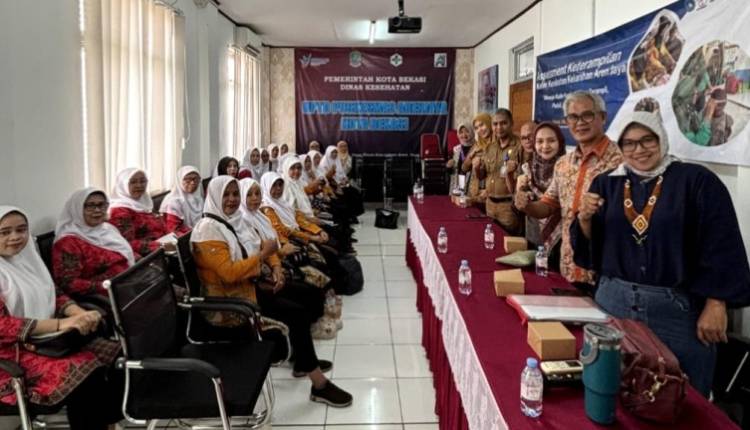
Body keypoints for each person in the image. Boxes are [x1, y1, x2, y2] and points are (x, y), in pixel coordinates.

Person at [570, 111, 750, 396]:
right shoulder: (606, 184)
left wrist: (717, 303)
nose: (638, 149)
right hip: (614, 301)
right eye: (629, 143)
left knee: (683, 396)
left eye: (647, 140)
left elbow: (721, 241)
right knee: (613, 388)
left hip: (675, 311)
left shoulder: (696, 181)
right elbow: (592, 247)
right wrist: (584, 219)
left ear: (662, 139)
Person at [191, 177, 352, 407]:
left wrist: (276, 269)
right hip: (231, 303)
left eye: (235, 194)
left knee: (304, 298)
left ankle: (303, 361)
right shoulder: (208, 230)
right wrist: (263, 257)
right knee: (296, 313)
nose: (232, 200)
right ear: (214, 197)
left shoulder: (235, 221)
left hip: (249, 288)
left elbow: (266, 246)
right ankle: (318, 383)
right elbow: (229, 273)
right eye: (226, 194)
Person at [0, 206, 121, 429]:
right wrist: (61, 323)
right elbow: (3, 326)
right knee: (87, 373)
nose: (15, 237)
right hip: (11, 353)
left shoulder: (27, 259)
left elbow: (53, 293)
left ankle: (107, 424)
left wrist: (78, 313)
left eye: (21, 230)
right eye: (5, 232)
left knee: (115, 356)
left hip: (47, 340)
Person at [515, 91, 622, 291]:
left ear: (603, 117)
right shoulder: (563, 164)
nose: (580, 123)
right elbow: (547, 206)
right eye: (573, 117)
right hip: (569, 267)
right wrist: (527, 205)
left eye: (587, 115)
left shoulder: (621, 161)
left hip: (606, 274)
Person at [53, 188, 135, 299]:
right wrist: (108, 286)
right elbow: (69, 283)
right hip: (105, 294)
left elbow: (125, 253)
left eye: (101, 205)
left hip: (127, 281)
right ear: (77, 208)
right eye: (90, 206)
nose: (97, 210)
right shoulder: (68, 242)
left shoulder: (107, 228)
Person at [515, 123, 566, 270]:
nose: (545, 146)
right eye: (540, 141)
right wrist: (519, 193)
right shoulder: (528, 168)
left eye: (551, 140)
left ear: (560, 142)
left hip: (562, 239)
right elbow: (518, 204)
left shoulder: (568, 169)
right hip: (534, 234)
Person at [477, 108, 523, 234]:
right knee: (490, 239)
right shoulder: (490, 148)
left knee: (508, 241)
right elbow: (482, 176)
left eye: (503, 123)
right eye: (495, 124)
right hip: (490, 205)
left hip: (508, 207)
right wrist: (477, 168)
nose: (499, 127)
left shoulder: (519, 146)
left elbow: (524, 179)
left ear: (511, 123)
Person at [108, 168, 170, 256]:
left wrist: (174, 238)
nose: (139, 185)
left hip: (164, 247)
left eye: (143, 181)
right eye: (133, 182)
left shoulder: (145, 202)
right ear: (122, 185)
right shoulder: (119, 212)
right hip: (148, 256)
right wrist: (160, 246)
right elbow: (127, 243)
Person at [461, 113, 494, 208]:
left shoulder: (498, 144)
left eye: (482, 125)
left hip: (489, 194)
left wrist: (490, 190)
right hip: (474, 193)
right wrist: (471, 155)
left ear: (489, 123)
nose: (480, 129)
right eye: (476, 128)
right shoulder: (477, 144)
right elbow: (464, 168)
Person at [160, 166, 203, 234]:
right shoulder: (173, 202)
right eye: (188, 179)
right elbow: (174, 230)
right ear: (180, 180)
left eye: (196, 179)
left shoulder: (198, 198)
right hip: (183, 237)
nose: (192, 182)